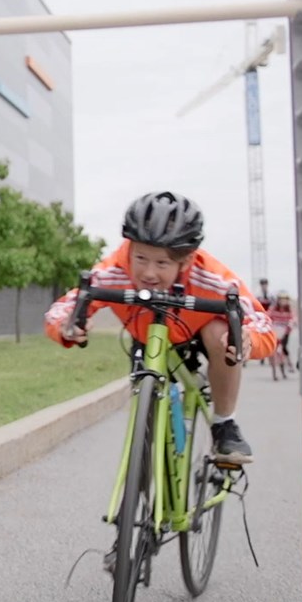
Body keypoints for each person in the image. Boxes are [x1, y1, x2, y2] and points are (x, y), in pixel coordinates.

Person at [44, 191, 277, 463]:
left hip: (197, 334)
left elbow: (262, 325)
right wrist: (67, 326)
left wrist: (248, 339)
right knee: (148, 427)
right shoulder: (114, 271)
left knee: (221, 333)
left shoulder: (213, 277)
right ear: (129, 248)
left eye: (162, 263)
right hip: (146, 336)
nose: (148, 273)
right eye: (140, 258)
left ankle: (224, 424)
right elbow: (63, 308)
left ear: (187, 260)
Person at [268, 291, 297, 373]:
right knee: (273, 347)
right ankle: (273, 363)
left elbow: (293, 318)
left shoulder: (289, 310)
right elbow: (268, 316)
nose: (283, 302)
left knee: (284, 347)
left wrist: (291, 324)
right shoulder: (273, 309)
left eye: (285, 300)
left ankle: (289, 363)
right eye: (281, 300)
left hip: (285, 332)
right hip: (275, 331)